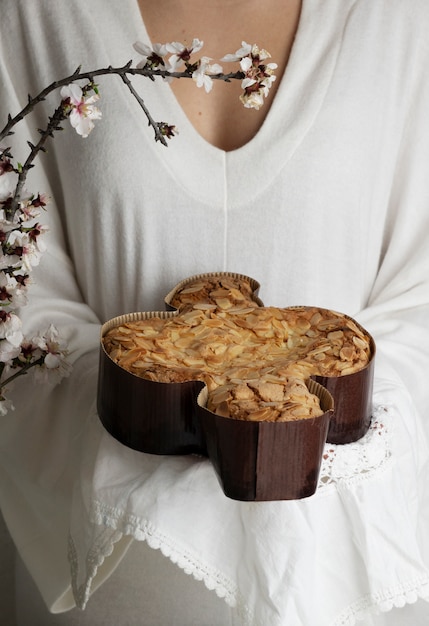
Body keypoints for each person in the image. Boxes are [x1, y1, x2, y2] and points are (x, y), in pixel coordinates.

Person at [1, 0, 429, 624]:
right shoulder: (32, 15)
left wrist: (301, 417)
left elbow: (422, 293)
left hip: (339, 584)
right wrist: (164, 389)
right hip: (116, 579)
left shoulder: (402, 20)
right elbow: (20, 297)